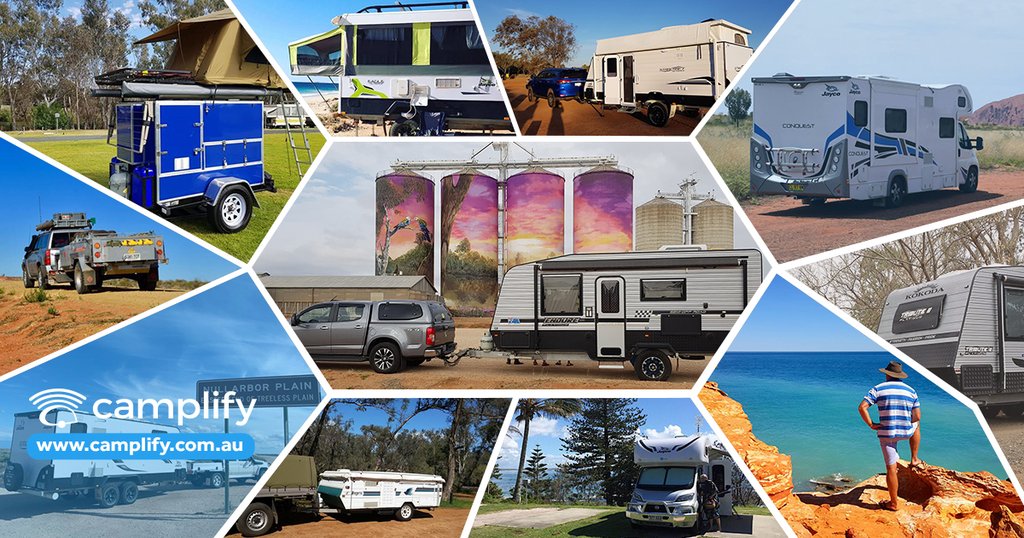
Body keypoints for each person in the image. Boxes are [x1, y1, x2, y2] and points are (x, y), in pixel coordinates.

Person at [858, 360, 923, 511]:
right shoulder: (911, 390)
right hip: (906, 431)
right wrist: (906, 422)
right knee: (917, 425)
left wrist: (871, 424)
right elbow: (917, 416)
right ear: (900, 375)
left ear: (887, 374)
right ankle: (914, 459)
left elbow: (862, 407)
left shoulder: (878, 389)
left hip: (886, 432)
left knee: (891, 469)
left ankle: (893, 503)